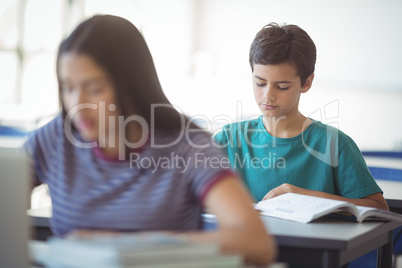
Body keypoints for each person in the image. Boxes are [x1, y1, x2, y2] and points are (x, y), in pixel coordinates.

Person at [24, 15, 276, 265]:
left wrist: (128, 245)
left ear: (130, 84)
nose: (77, 104)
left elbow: (255, 242)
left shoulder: (187, 145)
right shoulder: (54, 139)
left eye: (94, 88)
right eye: (68, 87)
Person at [213, 23, 389, 211]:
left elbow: (378, 208)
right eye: (260, 83)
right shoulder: (228, 140)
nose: (268, 95)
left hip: (315, 241)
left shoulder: (334, 144)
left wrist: (307, 197)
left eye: (282, 86)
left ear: (306, 83)